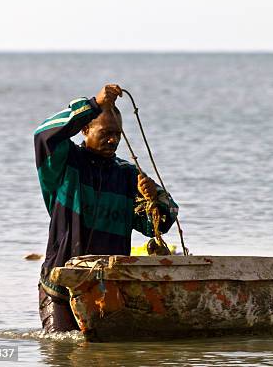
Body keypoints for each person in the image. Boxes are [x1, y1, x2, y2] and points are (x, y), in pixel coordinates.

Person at [34, 84, 178, 333]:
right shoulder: (65, 164)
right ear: (85, 129)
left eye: (118, 135)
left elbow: (161, 221)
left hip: (107, 289)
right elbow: (44, 135)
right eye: (106, 133)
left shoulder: (127, 175)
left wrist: (153, 198)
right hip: (59, 287)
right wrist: (92, 104)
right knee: (60, 349)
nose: (113, 140)